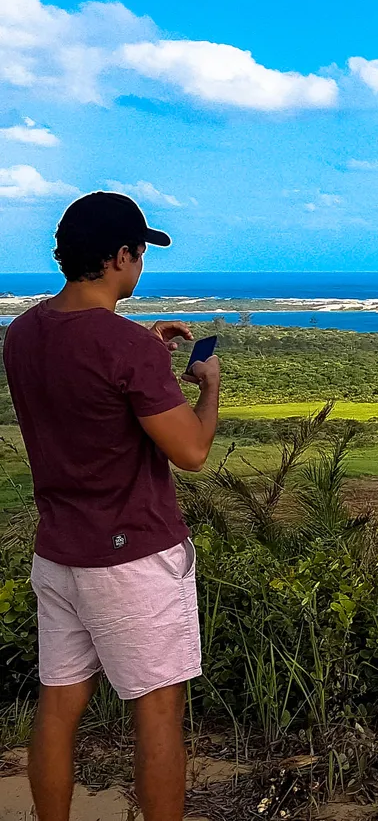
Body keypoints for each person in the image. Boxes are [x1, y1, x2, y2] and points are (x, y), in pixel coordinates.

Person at [4, 192, 222, 821]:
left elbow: (83, 392)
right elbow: (191, 452)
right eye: (140, 254)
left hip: (60, 553)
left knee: (58, 706)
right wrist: (206, 389)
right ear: (120, 256)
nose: (141, 267)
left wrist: (150, 356)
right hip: (134, 556)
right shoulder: (124, 345)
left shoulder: (22, 334)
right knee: (157, 714)